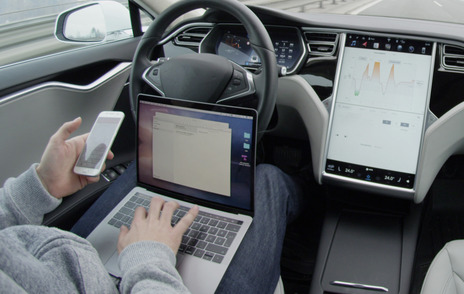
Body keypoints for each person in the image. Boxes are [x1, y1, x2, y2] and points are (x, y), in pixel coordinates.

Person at [0, 117, 303, 293]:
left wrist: (39, 186)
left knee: (145, 169)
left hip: (69, 262)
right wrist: (148, 258)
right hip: (135, 278)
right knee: (267, 180)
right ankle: (309, 201)